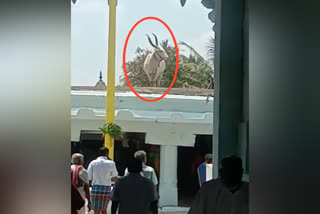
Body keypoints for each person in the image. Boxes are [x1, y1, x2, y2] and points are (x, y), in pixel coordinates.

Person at [87, 147, 118, 214]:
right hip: (106, 188)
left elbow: (89, 177)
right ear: (107, 153)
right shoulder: (111, 163)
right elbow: (115, 176)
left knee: (96, 209)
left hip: (95, 188)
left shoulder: (93, 163)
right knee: (104, 208)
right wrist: (108, 179)